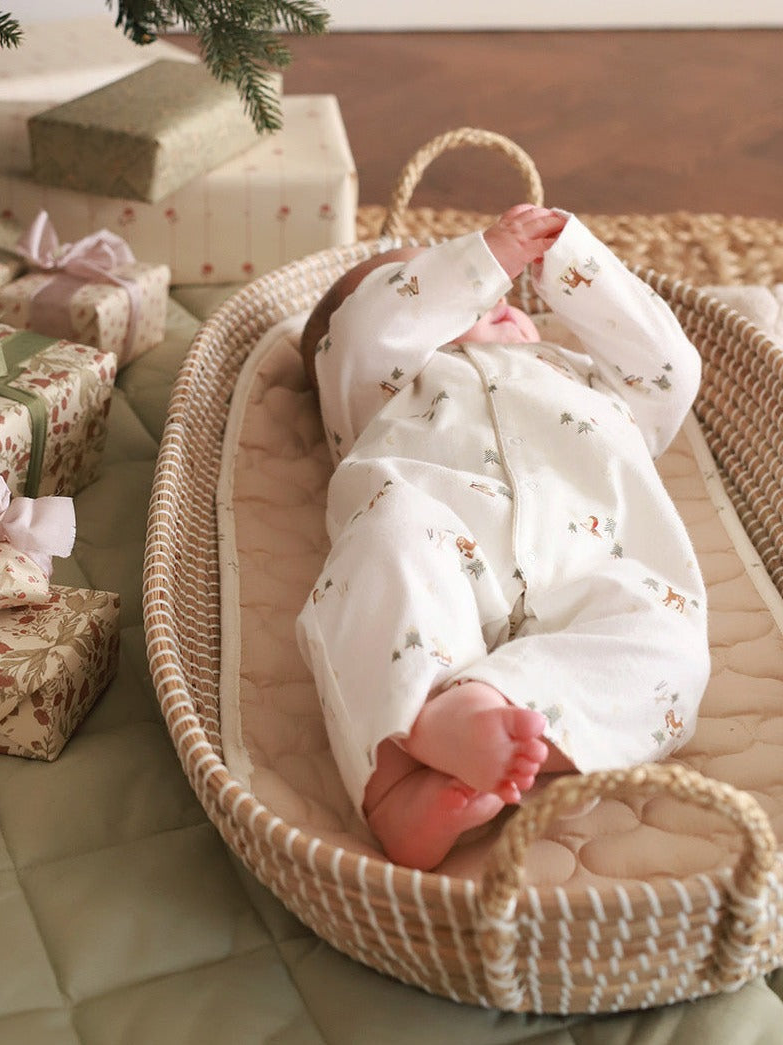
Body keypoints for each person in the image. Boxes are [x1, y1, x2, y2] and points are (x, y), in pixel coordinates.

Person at [295, 204, 711, 870]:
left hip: (592, 570)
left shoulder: (579, 375)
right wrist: (477, 257)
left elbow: (669, 370)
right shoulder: (379, 388)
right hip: (443, 553)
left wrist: (571, 264)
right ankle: (395, 785)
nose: (485, 291)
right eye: (422, 284)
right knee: (388, 541)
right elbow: (367, 335)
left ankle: (485, 706)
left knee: (668, 641)